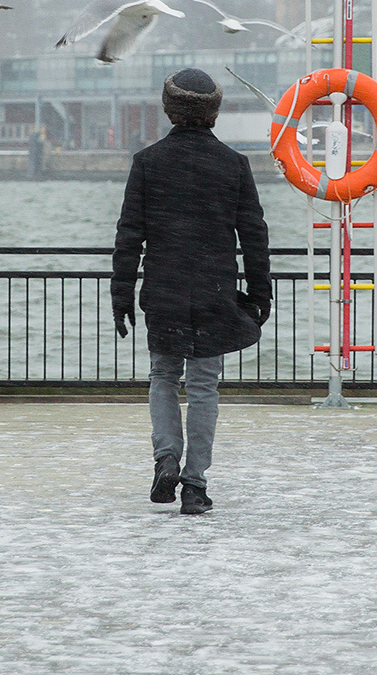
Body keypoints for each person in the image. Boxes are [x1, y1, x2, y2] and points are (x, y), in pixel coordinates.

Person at [112, 68, 271, 515]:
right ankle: (194, 484)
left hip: (163, 286)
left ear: (168, 108)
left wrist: (121, 297)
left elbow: (129, 236)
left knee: (163, 375)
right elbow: (254, 234)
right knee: (204, 385)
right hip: (214, 288)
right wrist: (261, 293)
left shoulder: (147, 163)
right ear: (215, 112)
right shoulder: (233, 165)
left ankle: (166, 458)